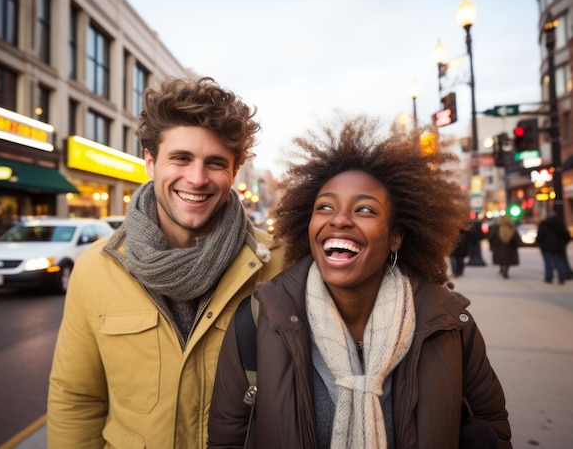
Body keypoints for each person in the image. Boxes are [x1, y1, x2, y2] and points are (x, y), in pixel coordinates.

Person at [208, 115, 511, 448]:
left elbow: (492, 426)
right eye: (325, 207)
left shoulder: (450, 324)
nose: (339, 219)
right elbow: (228, 439)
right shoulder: (258, 320)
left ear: (395, 237)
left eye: (364, 210)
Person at [47, 76, 286, 448]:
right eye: (181, 158)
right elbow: (76, 399)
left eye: (215, 163)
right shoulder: (96, 268)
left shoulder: (279, 265)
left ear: (234, 172)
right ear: (150, 162)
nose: (197, 177)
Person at [536, 212, 571, 284]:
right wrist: (563, 243)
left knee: (548, 263)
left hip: (546, 246)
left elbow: (540, 236)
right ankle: (562, 278)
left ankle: (549, 278)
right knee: (559, 262)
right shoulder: (560, 224)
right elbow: (567, 236)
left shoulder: (543, 224)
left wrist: (539, 243)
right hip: (558, 247)